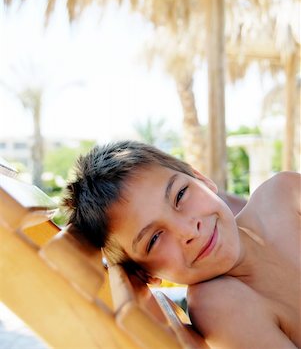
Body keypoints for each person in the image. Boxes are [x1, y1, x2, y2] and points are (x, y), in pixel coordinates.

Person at [62, 140, 300, 348]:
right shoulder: (220, 304)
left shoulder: (285, 194)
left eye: (180, 195)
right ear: (147, 274)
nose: (188, 231)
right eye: (154, 239)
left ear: (202, 180)